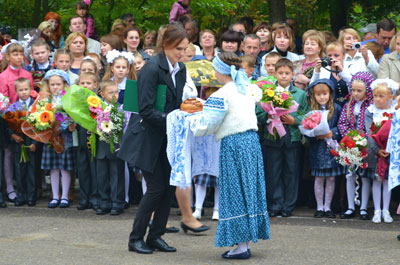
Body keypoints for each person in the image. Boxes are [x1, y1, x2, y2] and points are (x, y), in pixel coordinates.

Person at [189, 51, 270, 259]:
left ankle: (242, 246)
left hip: (234, 144)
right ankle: (244, 242)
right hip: (252, 143)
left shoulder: (222, 94)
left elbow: (207, 125)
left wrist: (190, 119)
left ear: (220, 70)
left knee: (235, 191)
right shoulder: (246, 88)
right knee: (248, 189)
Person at [119, 24, 189, 255]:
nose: (181, 53)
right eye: (178, 48)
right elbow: (146, 109)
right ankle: (135, 238)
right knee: (157, 187)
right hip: (147, 136)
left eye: (185, 48)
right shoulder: (150, 69)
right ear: (166, 45)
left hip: (166, 136)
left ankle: (156, 236)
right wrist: (173, 120)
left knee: (168, 187)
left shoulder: (181, 69)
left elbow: (176, 104)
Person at [256, 58, 309, 217]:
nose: (284, 76)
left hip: (292, 137)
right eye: (280, 73)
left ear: (293, 75)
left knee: (291, 172)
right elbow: (258, 114)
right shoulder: (267, 92)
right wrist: (269, 114)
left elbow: (307, 115)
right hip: (272, 137)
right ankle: (275, 204)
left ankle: (288, 206)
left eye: (287, 73)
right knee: (273, 171)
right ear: (274, 74)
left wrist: (295, 121)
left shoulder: (300, 94)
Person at [337, 71, 374, 219]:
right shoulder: (348, 105)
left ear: (368, 91)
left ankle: (364, 207)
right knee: (350, 175)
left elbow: (373, 126)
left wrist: (363, 140)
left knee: (365, 177)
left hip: (366, 145)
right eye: (353, 90)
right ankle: (350, 207)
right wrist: (350, 139)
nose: (356, 93)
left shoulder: (371, 106)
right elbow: (342, 123)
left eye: (360, 90)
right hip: (350, 146)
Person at [306, 79, 344, 218]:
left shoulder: (337, 109)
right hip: (318, 150)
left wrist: (332, 133)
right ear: (314, 96)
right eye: (318, 95)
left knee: (331, 179)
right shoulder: (311, 111)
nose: (322, 97)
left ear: (330, 94)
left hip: (332, 149)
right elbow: (306, 129)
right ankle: (319, 207)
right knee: (319, 178)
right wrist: (314, 134)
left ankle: (328, 207)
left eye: (325, 94)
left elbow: (341, 126)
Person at [40, 69, 75, 209]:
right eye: (52, 84)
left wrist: (60, 128)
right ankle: (55, 196)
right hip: (50, 138)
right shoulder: (45, 100)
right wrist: (46, 128)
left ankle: (65, 196)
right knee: (54, 167)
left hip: (65, 137)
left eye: (58, 84)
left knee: (64, 167)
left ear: (64, 84)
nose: (55, 87)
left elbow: (71, 116)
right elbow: (40, 116)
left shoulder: (68, 98)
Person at [365, 79, 398, 223]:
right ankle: (377, 210)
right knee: (377, 180)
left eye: (381, 96)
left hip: (390, 152)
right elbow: (369, 131)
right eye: (375, 96)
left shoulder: (394, 111)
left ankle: (386, 210)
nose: (377, 99)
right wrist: (377, 149)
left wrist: (390, 149)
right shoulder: (370, 111)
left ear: (390, 97)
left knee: (387, 181)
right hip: (375, 152)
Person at [94, 80, 125, 215]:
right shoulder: (96, 109)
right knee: (102, 177)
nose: (115, 95)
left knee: (116, 175)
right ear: (102, 94)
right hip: (101, 148)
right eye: (111, 93)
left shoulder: (120, 108)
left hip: (116, 148)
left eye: (116, 92)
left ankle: (117, 202)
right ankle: (104, 201)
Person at [9, 78, 38, 207]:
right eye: (20, 90)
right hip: (19, 143)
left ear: (31, 89)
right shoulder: (12, 107)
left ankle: (32, 195)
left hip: (31, 143)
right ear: (16, 91)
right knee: (19, 170)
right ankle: (21, 195)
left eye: (26, 89)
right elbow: (7, 125)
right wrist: (13, 135)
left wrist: (35, 143)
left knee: (32, 170)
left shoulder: (35, 106)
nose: (24, 92)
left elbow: (40, 126)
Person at [75, 72, 99, 210]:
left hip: (93, 140)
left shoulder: (97, 101)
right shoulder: (75, 101)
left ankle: (95, 198)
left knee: (94, 170)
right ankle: (84, 199)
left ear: (95, 85)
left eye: (88, 83)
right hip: (79, 140)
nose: (85, 86)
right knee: (82, 170)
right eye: (82, 83)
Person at [311, 42, 352, 107]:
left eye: (336, 55)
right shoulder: (323, 69)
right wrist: (317, 71)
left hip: (348, 105)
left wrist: (342, 70)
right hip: (330, 107)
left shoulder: (350, 67)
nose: (332, 58)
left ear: (344, 56)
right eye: (329, 56)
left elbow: (353, 83)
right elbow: (312, 87)